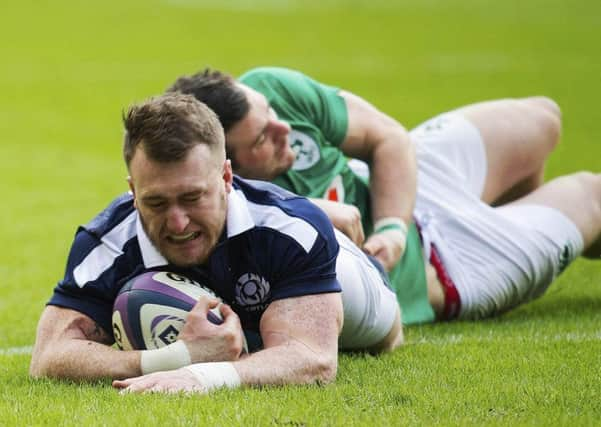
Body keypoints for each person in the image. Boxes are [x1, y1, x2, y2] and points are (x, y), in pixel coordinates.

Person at [30, 93, 403, 393]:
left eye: (193, 198)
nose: (177, 222)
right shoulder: (108, 242)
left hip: (356, 285)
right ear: (132, 190)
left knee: (377, 332)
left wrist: (200, 376)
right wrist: (174, 358)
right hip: (246, 304)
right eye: (156, 202)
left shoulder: (293, 232)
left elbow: (313, 360)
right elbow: (48, 357)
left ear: (226, 176)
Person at [167, 67, 568, 323]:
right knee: (593, 195)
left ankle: (506, 215)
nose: (283, 128)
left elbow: (388, 137)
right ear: (226, 171)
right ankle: (507, 229)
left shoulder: (268, 88)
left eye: (270, 112)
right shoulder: (239, 225)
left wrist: (393, 225)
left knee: (543, 117)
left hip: (403, 182)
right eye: (262, 137)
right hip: (443, 263)